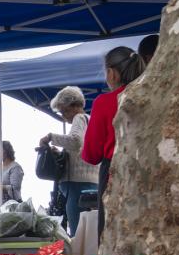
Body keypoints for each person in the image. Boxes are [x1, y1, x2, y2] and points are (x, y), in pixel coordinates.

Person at [82, 44, 146, 239]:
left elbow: (91, 155)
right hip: (147, 170)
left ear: (112, 73)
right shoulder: (151, 96)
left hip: (114, 174)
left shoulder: (105, 102)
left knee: (111, 236)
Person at [42, 86, 101, 232]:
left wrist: (51, 137)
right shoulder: (91, 120)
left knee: (77, 232)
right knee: (91, 231)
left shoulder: (79, 118)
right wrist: (63, 151)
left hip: (76, 183)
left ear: (74, 106)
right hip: (93, 181)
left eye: (65, 111)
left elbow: (75, 141)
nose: (64, 116)